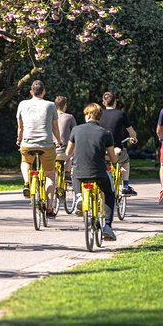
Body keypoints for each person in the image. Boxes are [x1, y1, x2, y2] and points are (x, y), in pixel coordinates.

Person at [65, 103, 117, 241]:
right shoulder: (106, 133)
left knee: (74, 172)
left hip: (80, 173)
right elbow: (113, 158)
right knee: (110, 193)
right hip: (99, 173)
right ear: (99, 117)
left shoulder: (76, 130)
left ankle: (78, 197)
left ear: (88, 115)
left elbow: (68, 152)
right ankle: (107, 226)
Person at [16, 80, 61, 218]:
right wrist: (59, 141)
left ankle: (27, 183)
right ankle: (49, 208)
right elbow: (55, 127)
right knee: (50, 174)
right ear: (44, 92)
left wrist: (19, 139)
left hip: (27, 143)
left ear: (31, 92)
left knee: (25, 162)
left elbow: (20, 127)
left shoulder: (22, 104)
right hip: (46, 145)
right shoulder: (50, 105)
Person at [98, 91, 138, 195]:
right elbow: (131, 132)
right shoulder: (121, 114)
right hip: (116, 150)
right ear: (115, 102)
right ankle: (125, 186)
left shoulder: (99, 114)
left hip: (101, 150)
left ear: (103, 102)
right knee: (125, 161)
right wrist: (133, 138)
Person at [53, 96, 76, 176]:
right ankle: (67, 173)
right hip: (64, 150)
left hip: (51, 150)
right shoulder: (69, 117)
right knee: (70, 155)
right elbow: (75, 132)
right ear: (65, 105)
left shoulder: (51, 117)